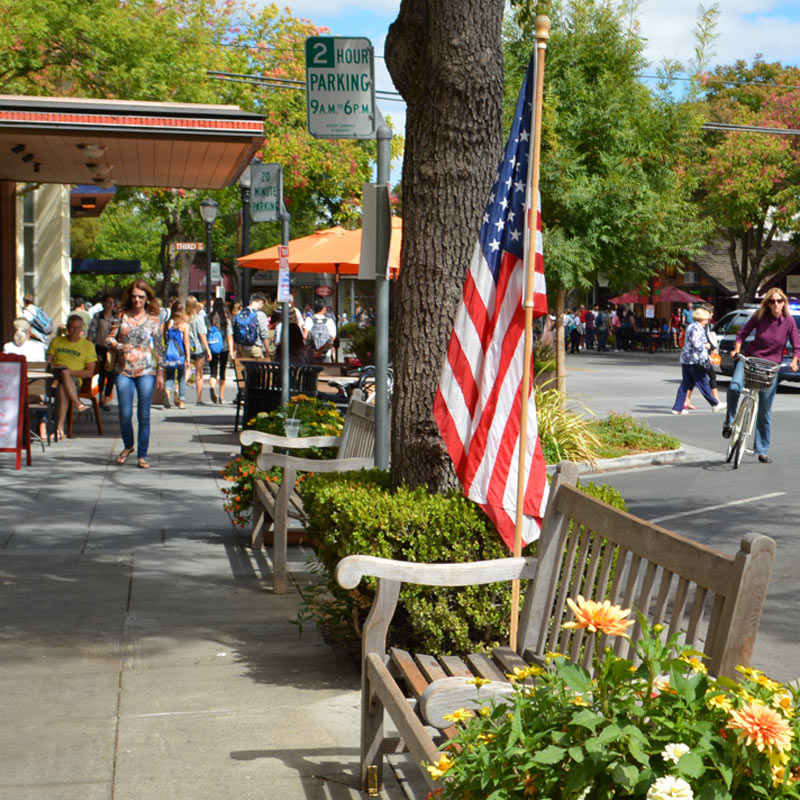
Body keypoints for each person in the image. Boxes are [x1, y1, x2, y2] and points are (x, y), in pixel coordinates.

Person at [722, 288, 800, 463]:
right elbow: (742, 334)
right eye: (772, 301)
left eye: (779, 301)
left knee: (765, 410)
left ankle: (762, 450)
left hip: (771, 367)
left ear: (784, 302)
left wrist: (795, 361)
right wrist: (736, 349)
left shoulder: (788, 322)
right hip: (750, 360)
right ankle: (729, 421)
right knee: (734, 387)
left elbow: (797, 346)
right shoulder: (759, 316)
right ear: (767, 303)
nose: (776, 304)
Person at [106, 280, 164, 468]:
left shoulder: (154, 319)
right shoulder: (121, 315)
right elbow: (109, 339)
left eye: (141, 296)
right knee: (124, 413)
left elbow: (159, 347)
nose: (137, 300)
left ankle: (142, 455)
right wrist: (119, 345)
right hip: (124, 369)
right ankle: (128, 445)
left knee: (144, 414)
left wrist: (161, 372)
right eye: (134, 296)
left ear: (147, 298)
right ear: (129, 297)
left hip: (146, 370)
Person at [47, 314, 97, 439]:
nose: (74, 331)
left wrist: (70, 372)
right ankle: (78, 404)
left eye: (77, 328)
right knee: (62, 373)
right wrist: (57, 367)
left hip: (74, 380)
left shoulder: (87, 345)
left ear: (81, 329)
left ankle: (59, 427)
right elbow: (47, 362)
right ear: (67, 327)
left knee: (62, 385)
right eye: (72, 327)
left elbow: (90, 372)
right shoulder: (57, 341)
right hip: (55, 376)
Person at [670, 307, 724, 415]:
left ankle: (677, 408)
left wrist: (707, 356)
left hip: (686, 359)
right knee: (703, 382)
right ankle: (715, 403)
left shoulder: (691, 326)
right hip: (695, 361)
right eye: (706, 319)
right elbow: (696, 344)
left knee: (685, 384)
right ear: (702, 319)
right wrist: (706, 346)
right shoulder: (698, 328)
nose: (707, 321)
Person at [87, 293, 117, 410]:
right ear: (103, 303)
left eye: (112, 302)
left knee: (111, 375)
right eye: (108, 302)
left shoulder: (116, 317)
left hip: (113, 349)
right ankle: (100, 396)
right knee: (102, 373)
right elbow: (91, 333)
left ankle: (106, 398)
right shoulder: (98, 316)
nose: (110, 305)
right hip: (100, 347)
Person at [162, 302, 190, 410]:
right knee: (181, 378)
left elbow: (165, 338)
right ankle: (181, 402)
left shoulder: (168, 323)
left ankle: (167, 393)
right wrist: (187, 356)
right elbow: (186, 341)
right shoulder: (184, 325)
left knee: (170, 376)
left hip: (169, 355)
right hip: (180, 354)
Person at [207, 297, 234, 404]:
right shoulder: (226, 319)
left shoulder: (208, 317)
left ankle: (212, 386)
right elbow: (229, 336)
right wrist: (231, 351)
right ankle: (221, 396)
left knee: (213, 371)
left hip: (212, 346)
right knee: (223, 372)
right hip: (224, 347)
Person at [186, 295, 211, 403]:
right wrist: (208, 349)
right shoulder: (198, 318)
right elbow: (202, 335)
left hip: (185, 347)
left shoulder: (183, 318)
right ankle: (199, 398)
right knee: (199, 374)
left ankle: (177, 391)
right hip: (197, 348)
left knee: (186, 371)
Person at [232, 292, 270, 359]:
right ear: (260, 302)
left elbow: (235, 332)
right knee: (257, 368)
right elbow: (264, 334)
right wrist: (267, 350)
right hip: (256, 347)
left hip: (243, 348)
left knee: (246, 368)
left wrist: (237, 350)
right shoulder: (260, 314)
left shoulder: (240, 313)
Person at [303, 298, 337, 362]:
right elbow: (333, 338)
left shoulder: (309, 319)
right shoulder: (329, 321)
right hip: (326, 355)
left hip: (312, 354)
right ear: (324, 308)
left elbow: (305, 337)